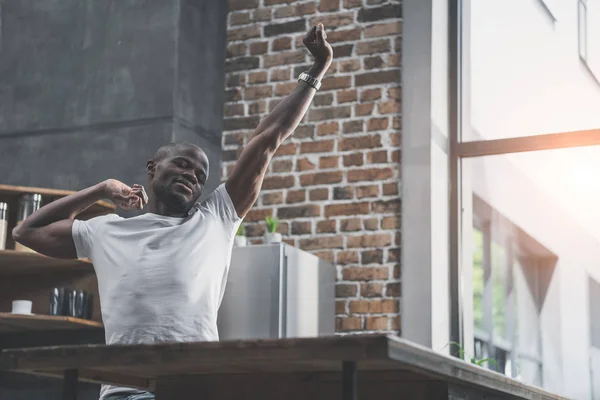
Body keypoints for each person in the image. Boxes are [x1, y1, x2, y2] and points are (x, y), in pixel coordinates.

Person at [12, 24, 333, 400]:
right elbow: (26, 232)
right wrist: (101, 189)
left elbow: (267, 140)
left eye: (200, 175)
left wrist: (317, 69)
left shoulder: (216, 218)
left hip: (194, 386)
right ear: (153, 169)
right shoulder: (105, 231)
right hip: (124, 390)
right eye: (182, 165)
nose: (191, 177)